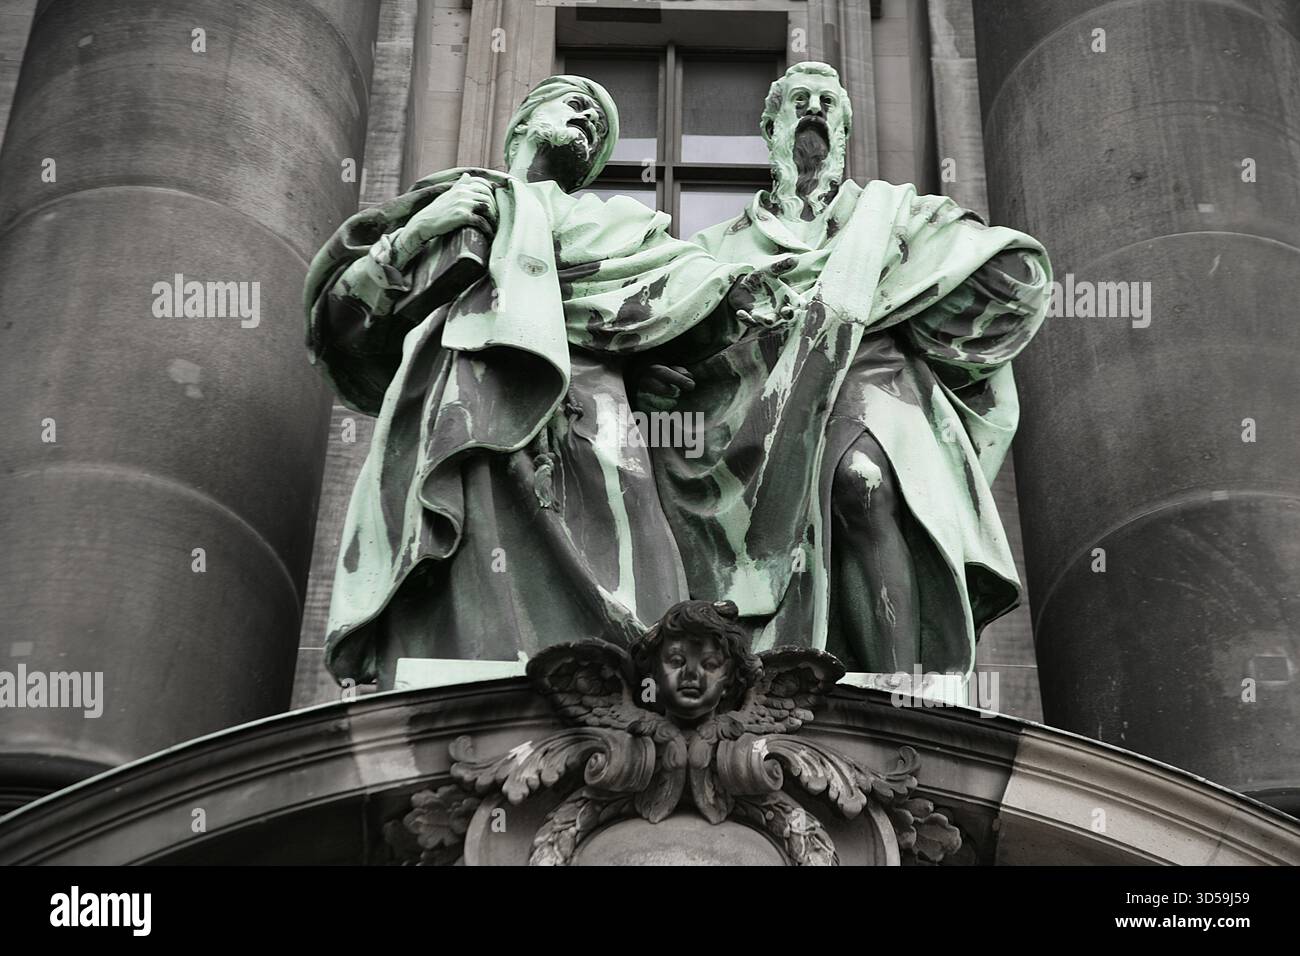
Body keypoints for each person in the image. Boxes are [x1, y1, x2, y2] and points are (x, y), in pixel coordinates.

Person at [304, 76, 783, 688]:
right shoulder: (454, 198)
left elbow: (691, 295)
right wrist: (417, 234)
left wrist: (653, 372)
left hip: (598, 418)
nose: (588, 119)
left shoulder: (622, 228)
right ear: (522, 122)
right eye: (574, 104)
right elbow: (342, 325)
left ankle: (623, 719)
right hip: (472, 396)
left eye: (603, 125)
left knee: (637, 573)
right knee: (478, 574)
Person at [636, 62, 1052, 676]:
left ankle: (895, 691)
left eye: (827, 101)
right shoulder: (714, 249)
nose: (813, 108)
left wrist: (879, 302)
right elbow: (663, 334)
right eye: (797, 99)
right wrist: (646, 381)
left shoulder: (895, 219)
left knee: (861, 480)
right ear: (769, 126)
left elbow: (1011, 276)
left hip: (869, 379)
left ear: (844, 131)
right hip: (741, 418)